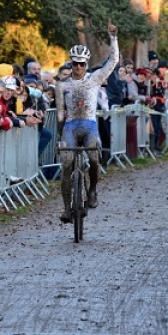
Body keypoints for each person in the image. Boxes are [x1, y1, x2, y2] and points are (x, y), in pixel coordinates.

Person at [54, 19, 119, 223]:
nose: (79, 67)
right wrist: (60, 138)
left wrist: (113, 37)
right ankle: (66, 208)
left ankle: (91, 191)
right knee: (66, 165)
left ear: (87, 64)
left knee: (93, 159)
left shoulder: (95, 79)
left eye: (82, 64)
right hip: (71, 126)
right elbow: (59, 114)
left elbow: (113, 61)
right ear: (70, 63)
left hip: (89, 125)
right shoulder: (62, 86)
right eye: (75, 63)